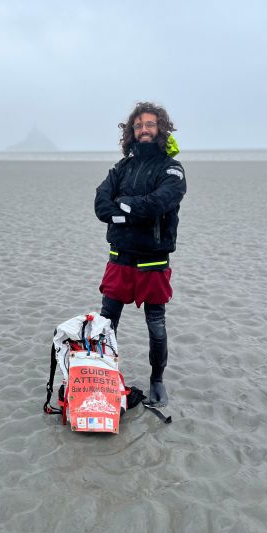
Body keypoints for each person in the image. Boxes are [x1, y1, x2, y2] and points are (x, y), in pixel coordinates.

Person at [94, 101, 186, 407]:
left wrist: (124, 207)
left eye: (149, 124)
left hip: (153, 262)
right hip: (119, 258)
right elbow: (101, 205)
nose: (143, 130)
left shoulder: (171, 168)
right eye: (137, 126)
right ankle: (105, 374)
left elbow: (158, 203)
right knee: (107, 323)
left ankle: (157, 380)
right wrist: (127, 210)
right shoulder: (121, 168)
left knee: (156, 326)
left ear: (160, 128)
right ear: (130, 132)